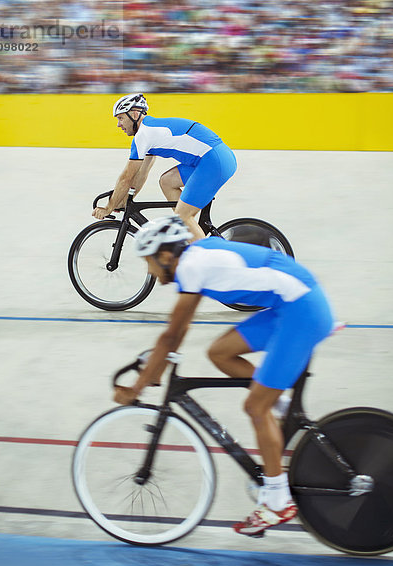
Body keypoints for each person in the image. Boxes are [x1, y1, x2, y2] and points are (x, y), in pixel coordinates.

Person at [113, 215, 336, 537]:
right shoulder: (197, 253)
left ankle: (277, 500)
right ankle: (281, 405)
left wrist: (136, 388)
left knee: (254, 408)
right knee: (220, 352)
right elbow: (176, 335)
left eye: (148, 262)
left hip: (300, 311)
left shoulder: (191, 268)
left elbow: (171, 337)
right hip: (292, 303)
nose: (148, 271)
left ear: (164, 256)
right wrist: (154, 370)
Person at [92, 93, 237, 241]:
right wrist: (126, 200)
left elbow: (126, 178)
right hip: (216, 159)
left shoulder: (143, 135)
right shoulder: (148, 132)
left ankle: (201, 255)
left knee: (183, 216)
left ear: (135, 114)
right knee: (167, 181)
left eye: (121, 118)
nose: (118, 124)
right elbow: (141, 173)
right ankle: (188, 232)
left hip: (213, 162)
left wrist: (108, 207)